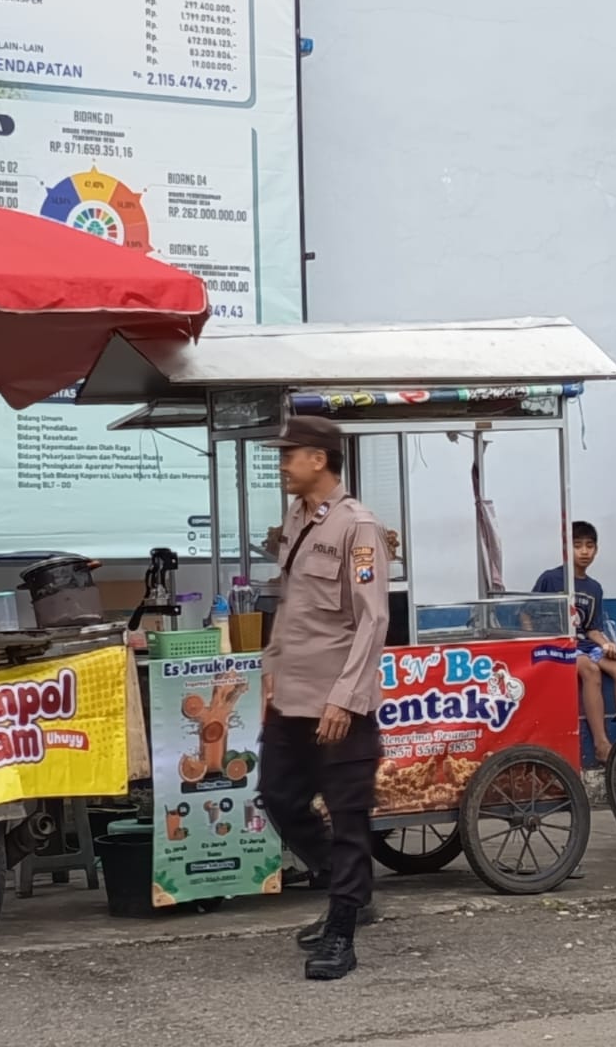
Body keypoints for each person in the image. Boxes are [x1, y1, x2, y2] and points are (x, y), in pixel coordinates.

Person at [259, 415, 390, 982]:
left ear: (320, 459)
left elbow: (372, 618)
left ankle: (342, 929)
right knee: (279, 798)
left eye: (291, 454)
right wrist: (270, 669)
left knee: (349, 816)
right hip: (291, 698)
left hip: (339, 705)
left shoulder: (357, 527)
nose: (283, 462)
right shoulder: (297, 519)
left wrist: (346, 698)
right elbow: (293, 606)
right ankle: (349, 890)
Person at [530, 521, 616, 763]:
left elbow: (593, 629)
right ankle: (601, 744)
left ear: (596, 550)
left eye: (590, 546)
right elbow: (527, 612)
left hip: (583, 644)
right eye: (578, 546)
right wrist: (534, 642)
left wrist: (608, 645)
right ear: (567, 549)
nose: (584, 551)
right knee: (589, 668)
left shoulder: (594, 588)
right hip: (557, 646)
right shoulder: (551, 579)